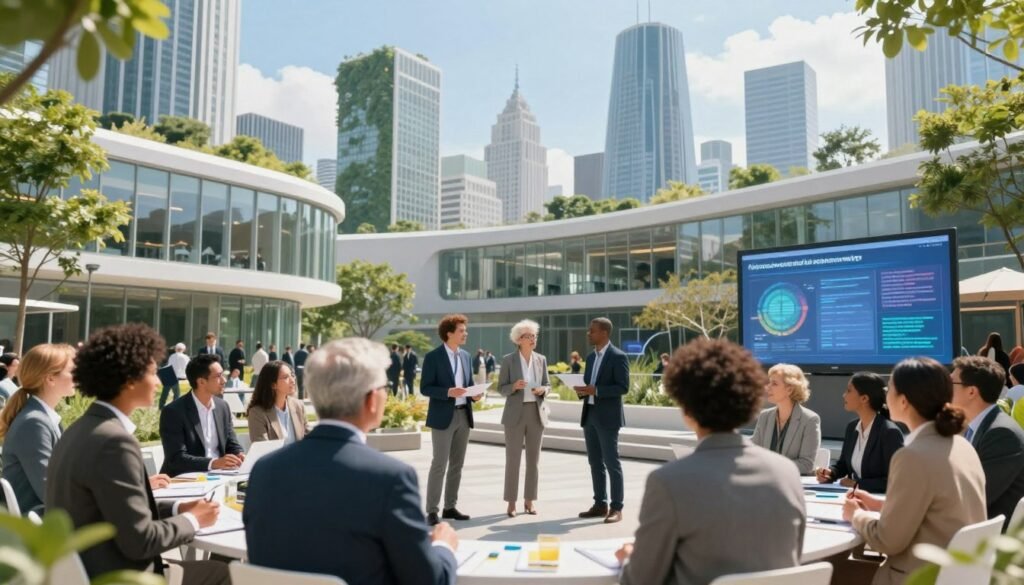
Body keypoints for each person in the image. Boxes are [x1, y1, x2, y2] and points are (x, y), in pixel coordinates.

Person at [244, 338, 459, 585]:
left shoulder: (264, 470)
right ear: (372, 400)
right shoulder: (391, 479)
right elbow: (431, 581)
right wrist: (443, 546)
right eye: (385, 386)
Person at [46, 324, 227, 584]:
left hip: (89, 569)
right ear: (129, 380)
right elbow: (141, 541)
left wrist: (178, 507)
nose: (158, 382)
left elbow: (119, 511)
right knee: (227, 573)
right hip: (120, 577)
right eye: (153, 373)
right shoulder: (114, 443)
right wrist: (193, 519)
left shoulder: (80, 430)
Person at [616, 339, 806, 584]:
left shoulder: (668, 482)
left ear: (686, 409)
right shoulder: (787, 473)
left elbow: (640, 580)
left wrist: (630, 559)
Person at [843, 357, 986, 585]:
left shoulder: (912, 456)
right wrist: (881, 505)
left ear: (903, 401)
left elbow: (887, 541)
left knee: (831, 570)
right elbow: (938, 508)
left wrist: (855, 515)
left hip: (917, 577)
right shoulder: (963, 446)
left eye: (889, 389)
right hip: (955, 574)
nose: (885, 395)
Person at [421, 314, 482, 526]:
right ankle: (432, 510)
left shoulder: (466, 356)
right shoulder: (433, 357)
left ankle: (450, 507)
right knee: (439, 464)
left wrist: (475, 394)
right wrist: (448, 392)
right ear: (449, 334)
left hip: (464, 414)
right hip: (442, 417)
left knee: (457, 464)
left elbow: (469, 383)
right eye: (461, 331)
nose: (466, 334)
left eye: (465, 330)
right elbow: (425, 387)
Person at [0, 344, 76, 514]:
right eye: (72, 371)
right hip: (37, 523)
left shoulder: (41, 418)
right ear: (50, 379)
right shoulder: (34, 423)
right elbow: (50, 491)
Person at [951, 356, 1024, 530]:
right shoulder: (977, 427)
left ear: (971, 392)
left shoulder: (1001, 434)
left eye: (951, 383)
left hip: (992, 538)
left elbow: (975, 496)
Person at [573, 317, 629, 524]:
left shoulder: (618, 356)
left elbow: (623, 387)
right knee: (595, 462)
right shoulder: (590, 357)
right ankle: (600, 504)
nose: (589, 333)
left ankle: (617, 508)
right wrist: (582, 389)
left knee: (612, 462)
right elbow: (589, 384)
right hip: (590, 414)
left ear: (604, 333)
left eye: (592, 331)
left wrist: (596, 390)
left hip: (608, 417)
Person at [816, 372, 905, 493]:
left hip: (878, 500)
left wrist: (857, 484)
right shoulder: (852, 427)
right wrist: (830, 473)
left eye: (849, 391)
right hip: (853, 496)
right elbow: (843, 465)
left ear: (864, 398)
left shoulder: (889, 432)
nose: (844, 395)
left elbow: (897, 480)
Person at [159, 353, 245, 476]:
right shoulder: (173, 412)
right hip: (184, 480)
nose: (224, 380)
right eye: (218, 376)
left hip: (220, 475)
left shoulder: (222, 407)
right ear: (201, 382)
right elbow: (176, 458)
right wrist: (213, 463)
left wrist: (239, 454)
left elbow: (231, 443)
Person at [498, 319, 550, 517]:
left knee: (533, 461)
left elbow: (547, 384)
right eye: (529, 336)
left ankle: (529, 501)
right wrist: (513, 386)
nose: (533, 339)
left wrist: (543, 389)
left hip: (536, 413)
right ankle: (511, 503)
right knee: (513, 460)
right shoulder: (508, 360)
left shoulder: (541, 359)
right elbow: (501, 388)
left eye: (535, 335)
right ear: (519, 339)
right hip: (514, 415)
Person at [751, 363, 822, 475]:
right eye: (769, 382)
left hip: (792, 481)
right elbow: (753, 452)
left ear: (789, 389)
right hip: (764, 479)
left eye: (774, 383)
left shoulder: (810, 420)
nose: (767, 387)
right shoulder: (765, 416)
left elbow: (806, 465)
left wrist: (771, 466)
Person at [246, 361, 307, 444]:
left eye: (292, 375)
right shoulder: (257, 413)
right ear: (273, 385)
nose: (293, 380)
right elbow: (262, 447)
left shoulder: (298, 406)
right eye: (286, 377)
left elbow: (309, 439)